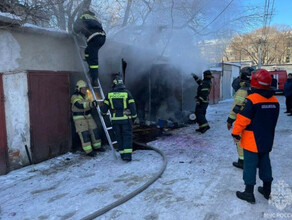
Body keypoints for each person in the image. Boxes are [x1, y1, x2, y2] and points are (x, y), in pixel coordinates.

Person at [231, 69, 279, 204]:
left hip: (252, 141)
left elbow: (242, 120)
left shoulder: (251, 100)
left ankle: (248, 193)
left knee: (250, 166)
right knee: (265, 164)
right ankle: (267, 190)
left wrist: (235, 133)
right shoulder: (275, 100)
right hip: (267, 139)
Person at [100, 75, 137, 161]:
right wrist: (134, 117)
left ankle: (122, 155)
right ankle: (127, 155)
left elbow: (104, 109)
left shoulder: (109, 94)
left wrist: (103, 113)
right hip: (126, 119)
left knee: (119, 137)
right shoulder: (127, 93)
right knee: (127, 136)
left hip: (115, 120)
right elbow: (132, 106)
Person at [227, 67, 253, 169]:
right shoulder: (258, 89)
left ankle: (242, 162)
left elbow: (236, 107)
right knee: (253, 141)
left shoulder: (242, 91)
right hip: (256, 120)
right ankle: (255, 161)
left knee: (241, 141)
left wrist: (230, 120)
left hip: (243, 120)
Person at [71, 80, 105, 157]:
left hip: (88, 115)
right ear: (78, 89)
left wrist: (100, 102)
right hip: (79, 117)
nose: (84, 90)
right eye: (82, 88)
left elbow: (94, 101)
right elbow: (79, 105)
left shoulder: (87, 94)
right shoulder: (74, 96)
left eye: (85, 88)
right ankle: (88, 151)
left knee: (94, 130)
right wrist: (91, 104)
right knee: (84, 134)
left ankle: (97, 146)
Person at [73, 9, 106, 86]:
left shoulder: (83, 17)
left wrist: (74, 33)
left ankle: (95, 80)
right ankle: (91, 69)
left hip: (94, 38)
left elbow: (76, 27)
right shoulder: (95, 18)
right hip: (102, 37)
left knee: (93, 60)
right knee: (87, 52)